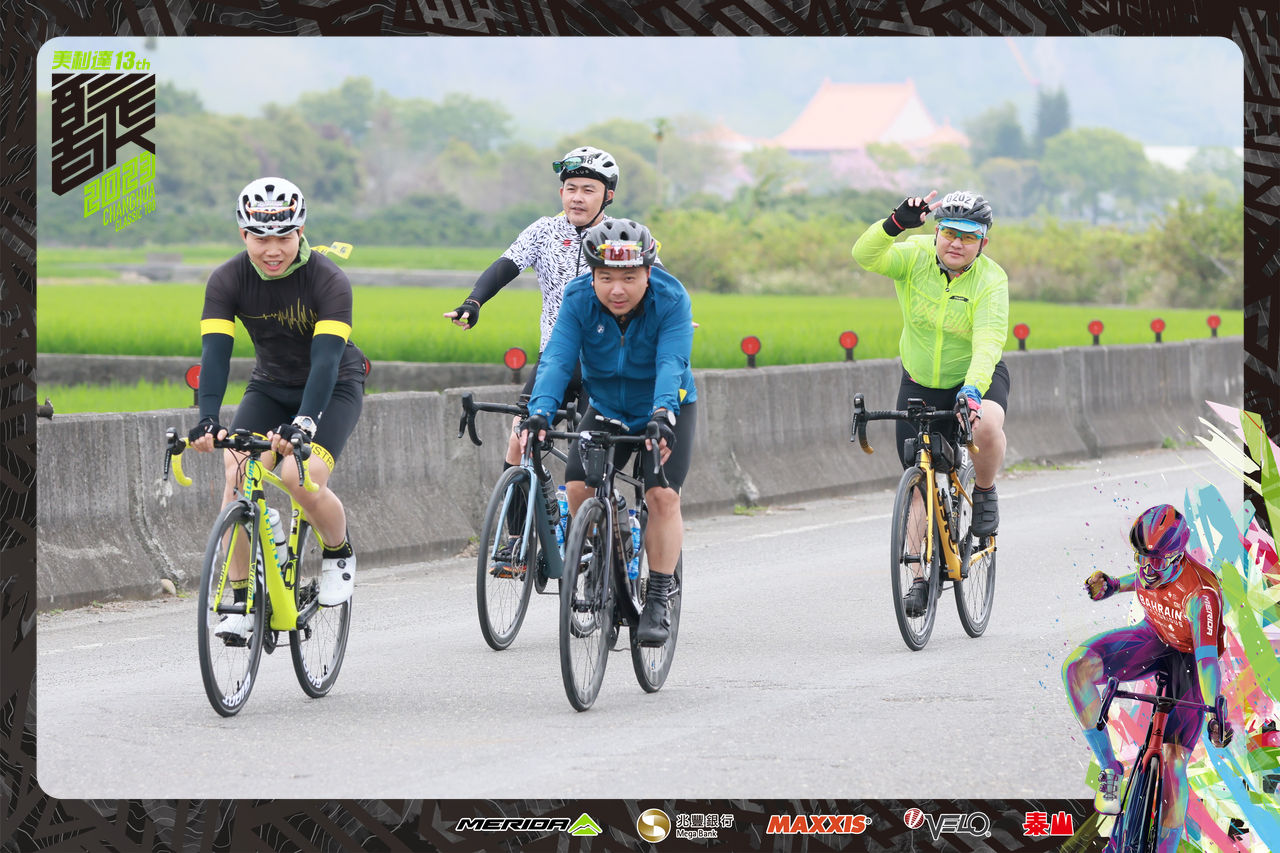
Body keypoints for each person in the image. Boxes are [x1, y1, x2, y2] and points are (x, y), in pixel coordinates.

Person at [188, 177, 364, 640]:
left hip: (333, 386)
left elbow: (325, 362)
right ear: (243, 234)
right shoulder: (227, 279)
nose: (272, 250)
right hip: (269, 385)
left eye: (283, 237)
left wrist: (304, 422)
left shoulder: (328, 279)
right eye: (260, 238)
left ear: (300, 231)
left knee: (297, 476)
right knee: (236, 475)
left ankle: (338, 552)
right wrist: (207, 418)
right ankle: (243, 599)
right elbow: (215, 356)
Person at [518, 218, 696, 646]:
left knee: (661, 495)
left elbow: (671, 362)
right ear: (592, 275)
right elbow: (558, 358)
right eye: (606, 278)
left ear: (648, 273)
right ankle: (604, 548)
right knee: (579, 487)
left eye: (630, 278)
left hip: (663, 407)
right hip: (607, 407)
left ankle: (657, 597)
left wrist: (663, 413)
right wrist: (540, 413)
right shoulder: (578, 298)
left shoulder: (671, 299)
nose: (617, 289)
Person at [444, 146, 621, 567]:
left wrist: (669, 318)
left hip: (606, 363)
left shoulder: (622, 234)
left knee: (595, 450)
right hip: (555, 359)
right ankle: (516, 539)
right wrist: (473, 302)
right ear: (561, 192)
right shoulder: (544, 230)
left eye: (588, 190)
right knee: (520, 437)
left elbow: (655, 281)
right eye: (570, 188)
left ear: (608, 196)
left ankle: (597, 530)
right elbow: (505, 266)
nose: (577, 197)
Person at [852, 189, 1011, 617]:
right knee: (917, 478)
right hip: (920, 381)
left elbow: (988, 341)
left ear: (983, 242)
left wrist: (972, 390)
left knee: (985, 425)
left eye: (969, 236)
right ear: (937, 232)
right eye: (950, 233)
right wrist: (894, 225)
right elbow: (864, 255)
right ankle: (920, 577)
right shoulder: (914, 256)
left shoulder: (991, 279)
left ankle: (984, 491)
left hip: (975, 378)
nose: (957, 243)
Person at [1063, 504, 1234, 853]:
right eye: (1142, 557)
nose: (1147, 568)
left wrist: (1216, 712)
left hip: (1191, 661)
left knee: (1173, 763)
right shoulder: (1153, 566)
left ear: (1178, 556)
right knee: (1076, 668)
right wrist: (1113, 586)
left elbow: (1206, 661)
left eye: (1156, 561)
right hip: (1153, 637)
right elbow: (1140, 579)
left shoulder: (1201, 596)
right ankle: (1110, 769)